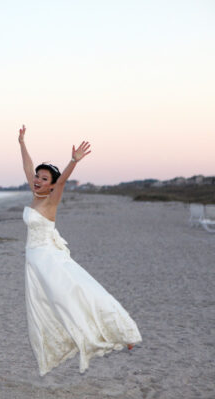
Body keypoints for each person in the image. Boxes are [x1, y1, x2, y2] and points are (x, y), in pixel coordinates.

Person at [18, 124, 141, 375]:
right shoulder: (35, 195)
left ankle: (121, 331)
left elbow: (62, 180)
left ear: (51, 185)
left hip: (47, 258)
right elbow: (27, 167)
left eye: (44, 178)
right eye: (37, 177)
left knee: (75, 294)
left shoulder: (51, 198)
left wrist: (73, 161)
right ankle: (71, 339)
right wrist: (22, 142)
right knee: (46, 306)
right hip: (33, 260)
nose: (37, 180)